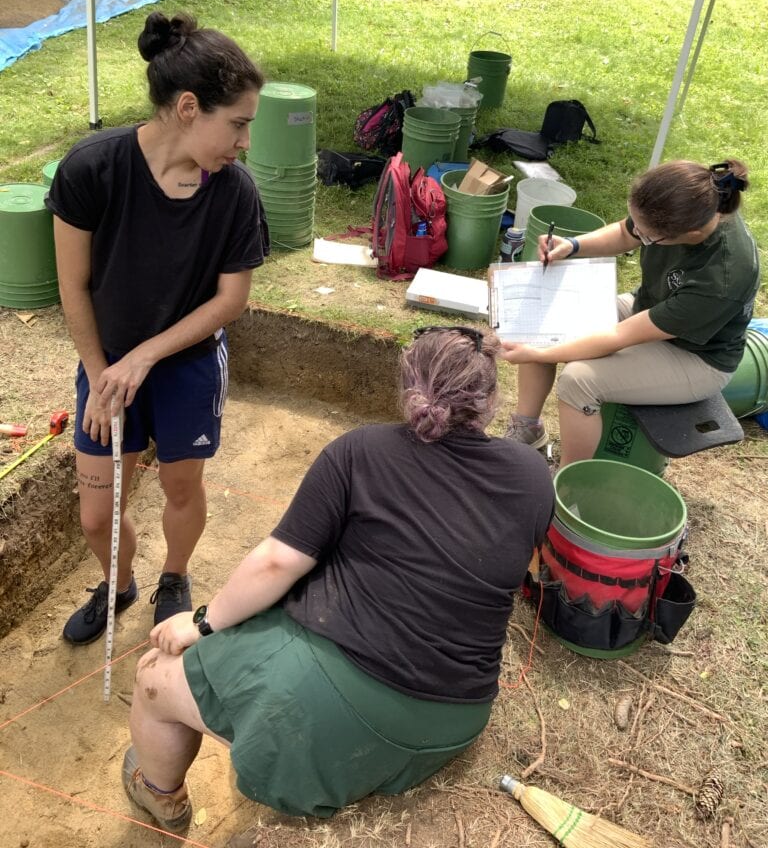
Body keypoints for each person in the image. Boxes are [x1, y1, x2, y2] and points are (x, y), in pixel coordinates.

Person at [120, 326, 554, 832]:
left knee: (154, 678)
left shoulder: (360, 451)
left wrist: (200, 623)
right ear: (489, 399)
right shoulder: (531, 473)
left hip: (346, 707)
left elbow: (278, 563)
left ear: (408, 387)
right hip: (455, 721)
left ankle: (159, 794)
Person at [46, 11, 269, 645]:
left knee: (179, 482)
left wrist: (144, 356)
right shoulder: (92, 169)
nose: (245, 143)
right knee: (95, 515)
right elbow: (73, 286)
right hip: (104, 363)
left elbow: (231, 300)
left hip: (186, 365)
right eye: (239, 124)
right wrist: (99, 375)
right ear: (190, 107)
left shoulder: (235, 194)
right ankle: (117, 583)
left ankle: (174, 576)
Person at [502, 158, 760, 466]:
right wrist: (572, 246)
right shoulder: (682, 201)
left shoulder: (724, 276)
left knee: (579, 381)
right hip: (651, 310)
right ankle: (527, 429)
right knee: (547, 315)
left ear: (691, 234)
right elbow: (626, 234)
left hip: (698, 357)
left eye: (648, 236)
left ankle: (569, 479)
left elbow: (618, 336)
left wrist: (541, 354)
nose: (640, 235)